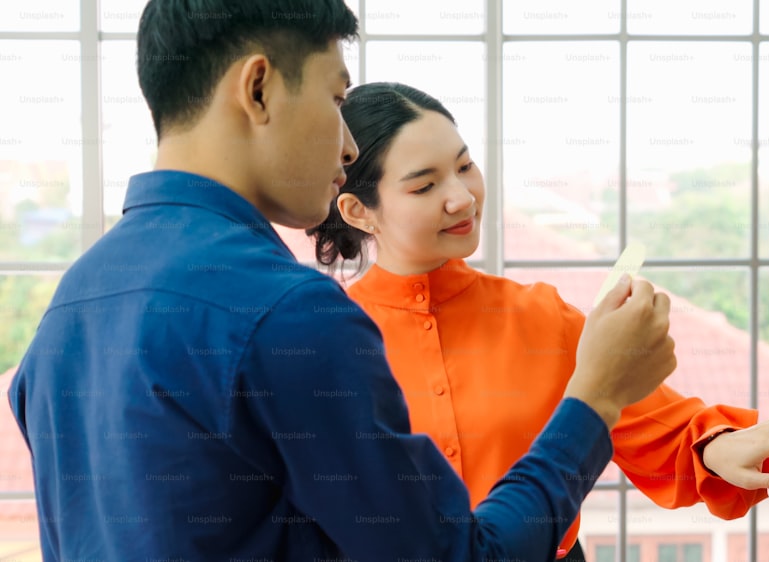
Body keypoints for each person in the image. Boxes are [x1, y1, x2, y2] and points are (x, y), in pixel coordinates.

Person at [5, 2, 684, 561]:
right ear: (259, 87)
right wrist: (594, 399)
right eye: (336, 99)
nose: (349, 145)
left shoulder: (69, 307)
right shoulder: (288, 312)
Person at [310, 82, 769, 561]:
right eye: (424, 186)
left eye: (465, 167)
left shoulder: (541, 316)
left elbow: (660, 428)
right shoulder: (325, 341)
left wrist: (719, 447)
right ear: (358, 210)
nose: (462, 197)